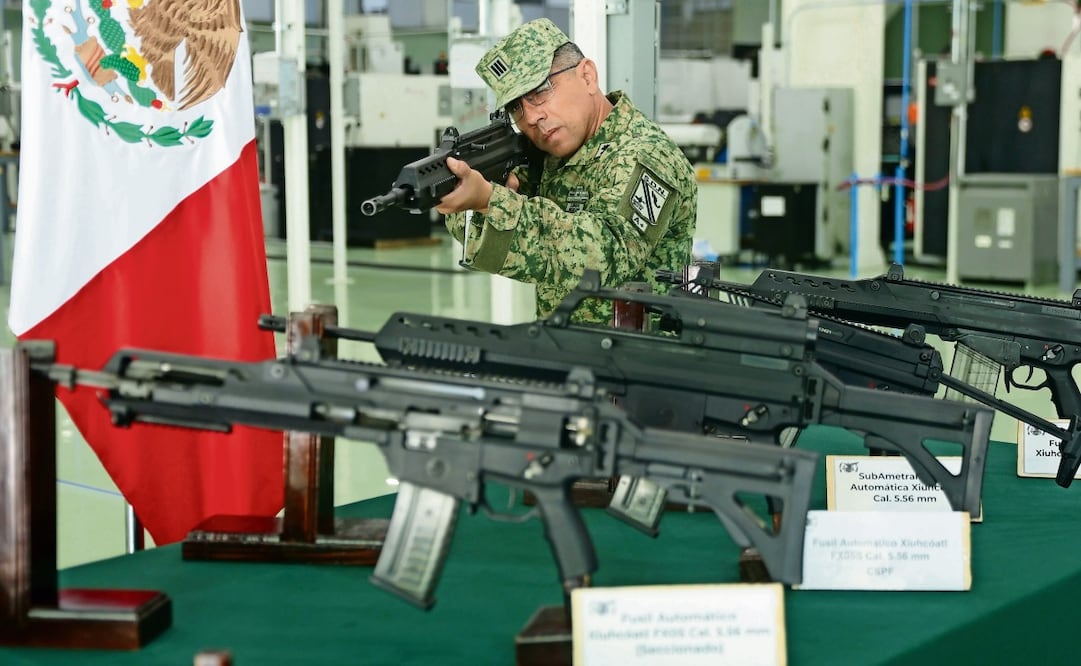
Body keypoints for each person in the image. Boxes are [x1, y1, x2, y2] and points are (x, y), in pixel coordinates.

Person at [436, 18, 697, 323]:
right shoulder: (547, 158)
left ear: (587, 76)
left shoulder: (648, 154)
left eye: (540, 91)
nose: (531, 117)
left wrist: (489, 201)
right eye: (516, 108)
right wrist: (463, 196)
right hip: (565, 349)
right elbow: (494, 249)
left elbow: (607, 256)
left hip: (640, 358)